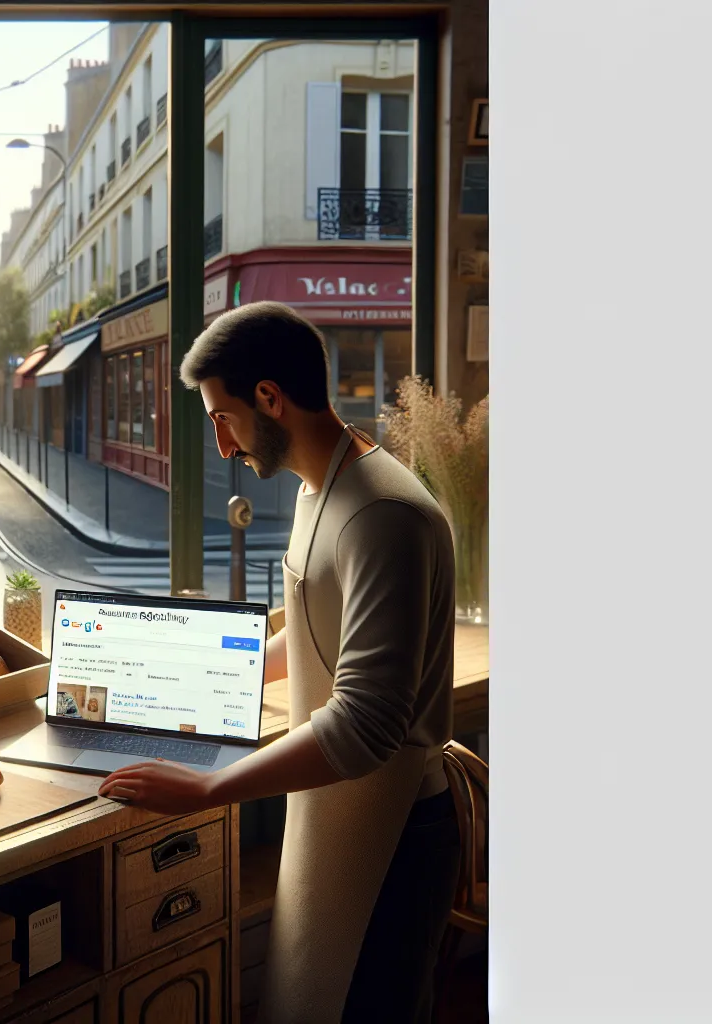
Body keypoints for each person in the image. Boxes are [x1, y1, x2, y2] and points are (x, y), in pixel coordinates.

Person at [98, 302, 459, 1024]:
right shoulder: (319, 486)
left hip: (394, 832)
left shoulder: (385, 516)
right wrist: (216, 677)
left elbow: (366, 724)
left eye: (221, 416)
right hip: (334, 810)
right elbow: (322, 624)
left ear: (269, 397)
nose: (222, 444)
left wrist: (209, 790)